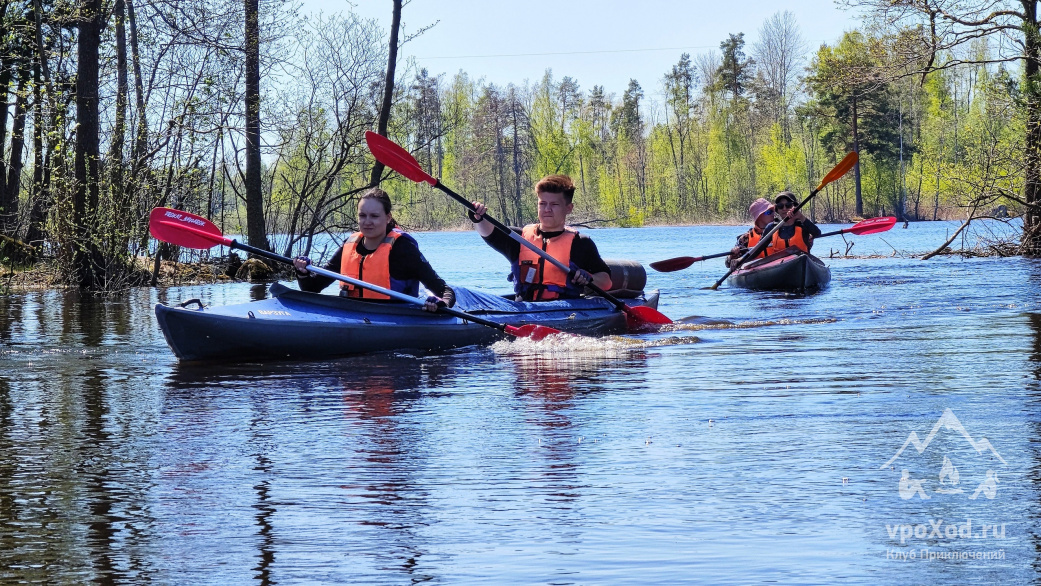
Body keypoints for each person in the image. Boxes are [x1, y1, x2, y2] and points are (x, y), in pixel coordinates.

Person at [292, 188, 454, 312]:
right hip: (355, 315)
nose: (367, 222)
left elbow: (445, 290)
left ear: (388, 217)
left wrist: (440, 303)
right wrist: (302, 272)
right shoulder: (349, 246)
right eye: (362, 216)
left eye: (374, 216)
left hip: (397, 317)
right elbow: (312, 288)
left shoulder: (403, 249)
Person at [469, 174, 612, 301]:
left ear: (569, 208)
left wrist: (589, 278)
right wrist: (477, 218)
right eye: (542, 204)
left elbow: (606, 281)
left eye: (554, 204)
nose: (547, 209)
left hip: (565, 310)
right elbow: (488, 233)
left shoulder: (581, 243)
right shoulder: (519, 238)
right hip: (524, 309)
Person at [763, 191, 822, 256]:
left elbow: (817, 234)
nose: (784, 208)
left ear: (795, 207)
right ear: (777, 209)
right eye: (780, 206)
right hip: (780, 264)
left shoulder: (803, 225)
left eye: (788, 205)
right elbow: (759, 249)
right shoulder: (771, 227)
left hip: (801, 262)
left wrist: (801, 217)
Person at [726, 197, 774, 267]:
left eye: (773, 211)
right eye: (769, 212)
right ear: (758, 217)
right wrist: (732, 256)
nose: (773, 214)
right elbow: (727, 264)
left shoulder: (780, 230)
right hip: (758, 273)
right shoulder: (745, 239)